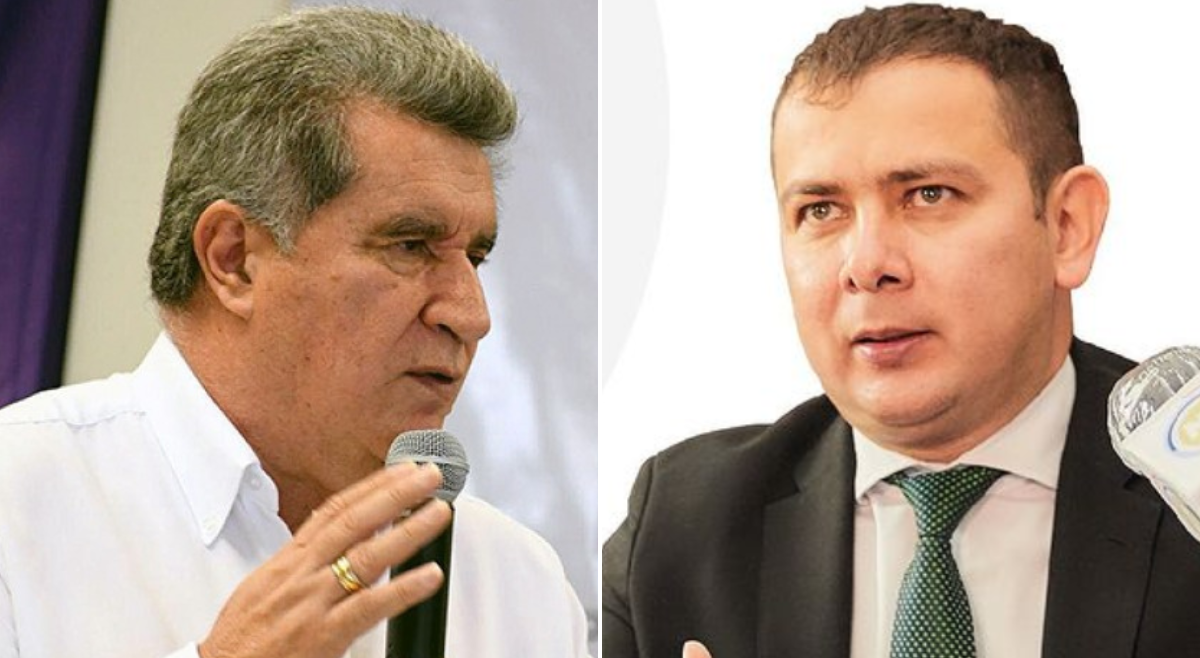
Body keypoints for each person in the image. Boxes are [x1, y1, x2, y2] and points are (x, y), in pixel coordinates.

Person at [603, 4, 1200, 658]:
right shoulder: (679, 532)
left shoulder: (1185, 483)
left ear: (1067, 227)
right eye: (821, 210)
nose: (867, 265)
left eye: (928, 195)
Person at [0, 7, 588, 658]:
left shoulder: (520, 582)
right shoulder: (17, 502)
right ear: (233, 259)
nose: (471, 315)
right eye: (410, 245)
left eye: (475, 257)